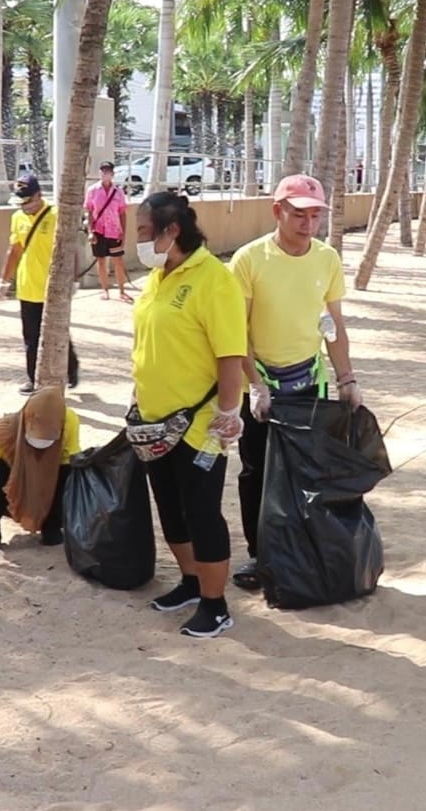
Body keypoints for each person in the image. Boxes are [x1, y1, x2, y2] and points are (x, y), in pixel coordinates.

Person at [228, 174, 361, 591]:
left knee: (308, 472)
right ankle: (259, 553)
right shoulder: (249, 260)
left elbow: (333, 324)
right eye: (298, 214)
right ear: (277, 212)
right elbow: (238, 330)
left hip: (310, 384)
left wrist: (347, 378)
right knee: (258, 472)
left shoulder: (327, 259)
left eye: (315, 215)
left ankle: (303, 547)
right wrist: (255, 385)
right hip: (265, 383)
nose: (307, 224)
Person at [131, 191, 247, 638]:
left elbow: (230, 354)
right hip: (154, 422)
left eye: (143, 232)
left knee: (202, 513)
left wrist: (230, 412)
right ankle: (192, 583)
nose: (138, 240)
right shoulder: (158, 277)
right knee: (171, 510)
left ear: (171, 230)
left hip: (200, 424)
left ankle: (216, 606)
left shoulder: (213, 279)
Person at [0, 387, 83, 563]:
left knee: (66, 477)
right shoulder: (3, 435)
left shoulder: (70, 421)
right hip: (9, 482)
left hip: (48, 476)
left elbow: (68, 467)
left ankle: (51, 527)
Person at [0, 173, 79, 394]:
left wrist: (74, 279)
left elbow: (71, 249)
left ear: (39, 195)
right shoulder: (18, 218)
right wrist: (3, 280)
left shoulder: (56, 215)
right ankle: (33, 379)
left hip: (53, 288)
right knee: (31, 337)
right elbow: (15, 250)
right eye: (20, 202)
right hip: (28, 286)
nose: (25, 207)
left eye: (28, 201)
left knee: (57, 332)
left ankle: (71, 368)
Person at [86, 161, 132, 303]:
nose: (105, 174)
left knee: (118, 261)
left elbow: (122, 213)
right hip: (99, 230)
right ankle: (105, 289)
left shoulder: (118, 192)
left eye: (107, 171)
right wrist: (90, 231)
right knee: (101, 261)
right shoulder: (92, 190)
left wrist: (123, 233)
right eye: (102, 171)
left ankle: (122, 291)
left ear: (112, 174)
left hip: (114, 231)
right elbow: (89, 211)